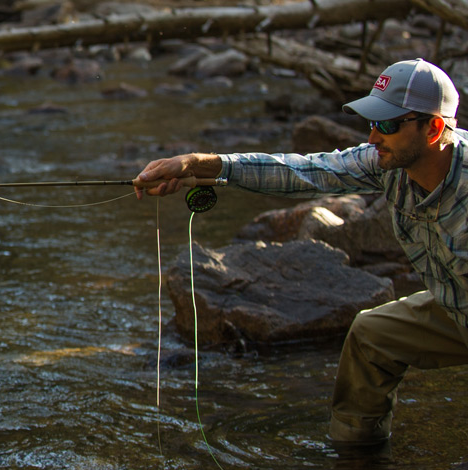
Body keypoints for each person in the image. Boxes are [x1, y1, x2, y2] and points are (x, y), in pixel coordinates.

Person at [133, 58, 466, 446]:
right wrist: (197, 165)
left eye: (387, 125)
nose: (374, 138)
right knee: (372, 334)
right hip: (454, 304)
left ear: (434, 128)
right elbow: (301, 172)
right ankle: (358, 464)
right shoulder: (386, 164)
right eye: (372, 123)